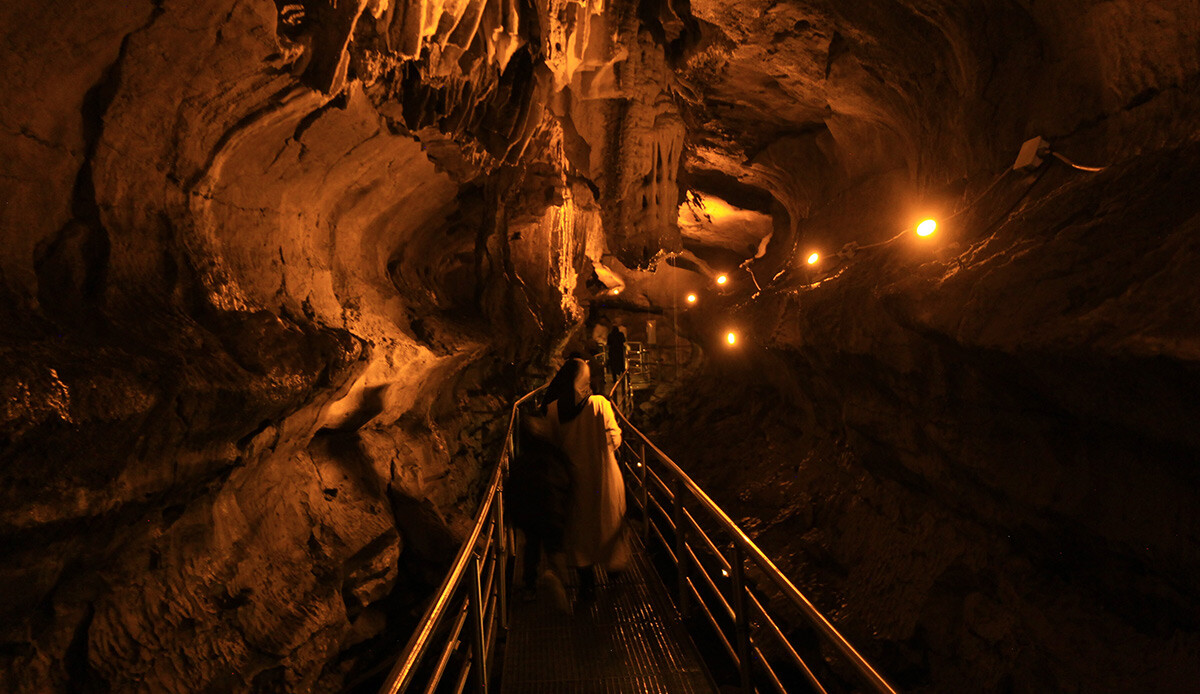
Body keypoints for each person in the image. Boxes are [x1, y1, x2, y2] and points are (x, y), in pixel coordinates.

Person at [531, 358, 629, 604]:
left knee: (580, 530)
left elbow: (551, 444)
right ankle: (614, 573)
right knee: (608, 521)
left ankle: (587, 586)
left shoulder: (553, 409)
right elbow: (615, 439)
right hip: (604, 475)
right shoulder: (600, 404)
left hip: (574, 481)